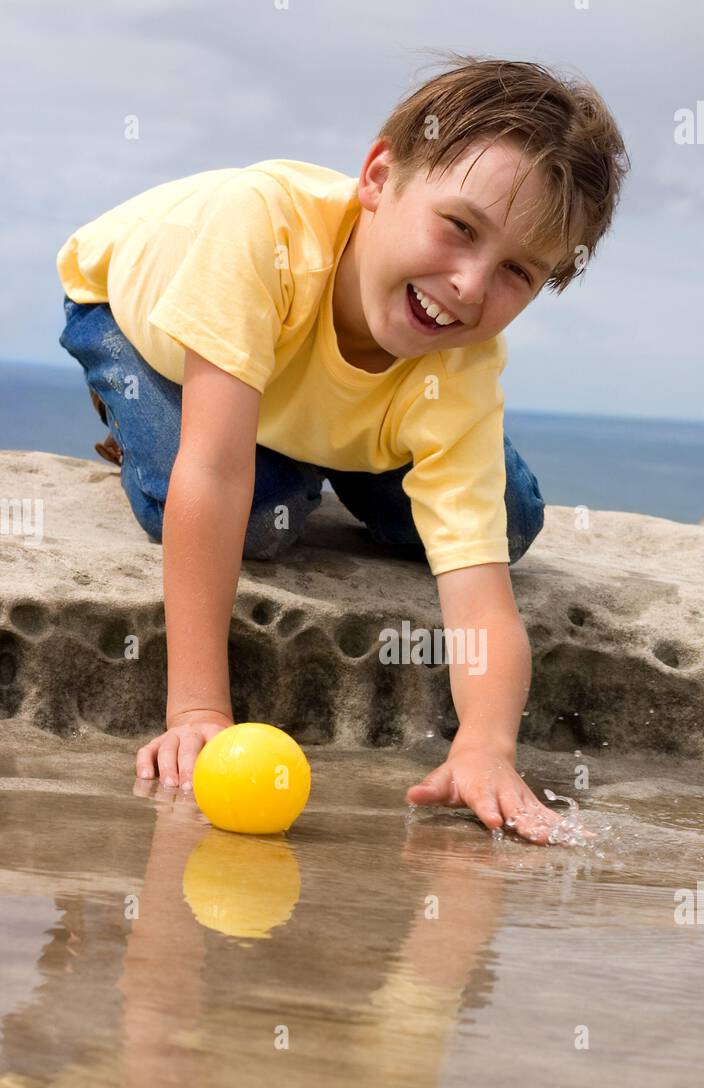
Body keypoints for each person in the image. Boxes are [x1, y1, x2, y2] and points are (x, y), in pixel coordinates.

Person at [56, 52, 629, 844]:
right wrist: (197, 711)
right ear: (379, 177)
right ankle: (176, 428)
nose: (466, 284)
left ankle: (315, 440)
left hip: (312, 392)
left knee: (509, 519)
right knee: (260, 513)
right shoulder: (258, 229)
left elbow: (479, 591)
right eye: (459, 227)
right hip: (139, 324)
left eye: (516, 273)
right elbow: (214, 474)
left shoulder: (458, 360)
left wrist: (486, 747)